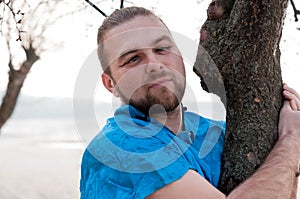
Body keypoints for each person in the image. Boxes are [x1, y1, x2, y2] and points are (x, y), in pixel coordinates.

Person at [80, 6, 300, 199]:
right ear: (110, 84)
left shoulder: (216, 134)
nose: (155, 65)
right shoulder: (118, 148)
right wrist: (291, 142)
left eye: (162, 49)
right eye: (133, 59)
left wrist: (285, 139)